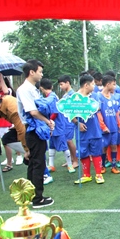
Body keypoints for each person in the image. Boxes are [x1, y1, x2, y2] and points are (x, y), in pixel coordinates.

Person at [16, 59, 54, 208]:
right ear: (31, 72)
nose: (41, 74)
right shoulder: (25, 89)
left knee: (34, 163)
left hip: (37, 129)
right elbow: (32, 111)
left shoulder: (33, 89)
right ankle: (37, 198)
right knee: (38, 164)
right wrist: (47, 121)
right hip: (33, 130)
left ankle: (31, 195)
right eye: (40, 71)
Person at [73, 74, 105, 184]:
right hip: (81, 132)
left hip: (94, 130)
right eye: (92, 84)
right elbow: (69, 114)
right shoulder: (74, 98)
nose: (94, 86)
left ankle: (99, 174)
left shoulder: (95, 95)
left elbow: (98, 108)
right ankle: (86, 175)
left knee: (96, 152)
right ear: (86, 85)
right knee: (83, 152)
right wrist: (77, 123)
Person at [98, 75, 120, 175]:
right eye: (114, 84)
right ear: (108, 84)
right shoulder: (99, 97)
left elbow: (116, 113)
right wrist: (103, 126)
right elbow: (98, 114)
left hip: (114, 127)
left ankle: (114, 166)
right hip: (104, 129)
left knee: (114, 146)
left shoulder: (113, 97)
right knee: (104, 147)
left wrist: (119, 124)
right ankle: (102, 166)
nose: (115, 86)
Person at [58, 75, 78, 171]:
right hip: (65, 120)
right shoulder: (65, 95)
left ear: (67, 83)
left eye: (61, 84)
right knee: (66, 140)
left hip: (70, 120)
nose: (60, 87)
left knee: (69, 140)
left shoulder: (73, 95)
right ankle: (71, 160)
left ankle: (75, 161)